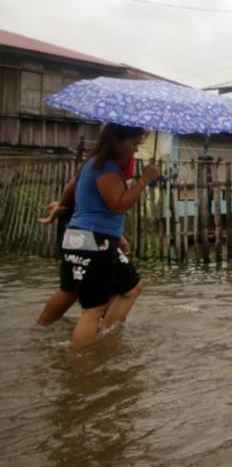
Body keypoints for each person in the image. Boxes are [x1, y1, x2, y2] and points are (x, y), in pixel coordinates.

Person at [60, 124, 160, 350]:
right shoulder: (105, 168)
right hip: (94, 241)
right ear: (116, 141)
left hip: (93, 237)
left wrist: (117, 236)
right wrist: (143, 181)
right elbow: (117, 205)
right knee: (92, 310)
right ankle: (82, 367)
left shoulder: (97, 164)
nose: (135, 150)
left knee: (132, 288)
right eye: (133, 144)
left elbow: (95, 206)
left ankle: (105, 338)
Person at [36, 152, 139, 326]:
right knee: (111, 292)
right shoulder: (108, 160)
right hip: (89, 228)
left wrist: (117, 235)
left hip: (85, 227)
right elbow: (116, 204)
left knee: (72, 289)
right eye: (139, 135)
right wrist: (62, 206)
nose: (142, 138)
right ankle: (101, 337)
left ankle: (40, 329)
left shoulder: (114, 159)